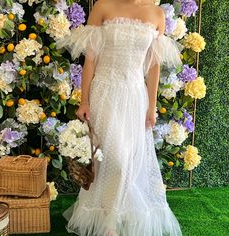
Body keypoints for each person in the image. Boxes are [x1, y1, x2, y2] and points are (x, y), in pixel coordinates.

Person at [57, 0, 183, 235]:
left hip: (136, 97)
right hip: (104, 92)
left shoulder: (156, 14)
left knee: (129, 159)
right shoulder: (104, 6)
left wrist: (152, 107)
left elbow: (154, 66)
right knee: (114, 158)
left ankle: (111, 220)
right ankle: (109, 218)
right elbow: (91, 60)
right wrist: (84, 101)